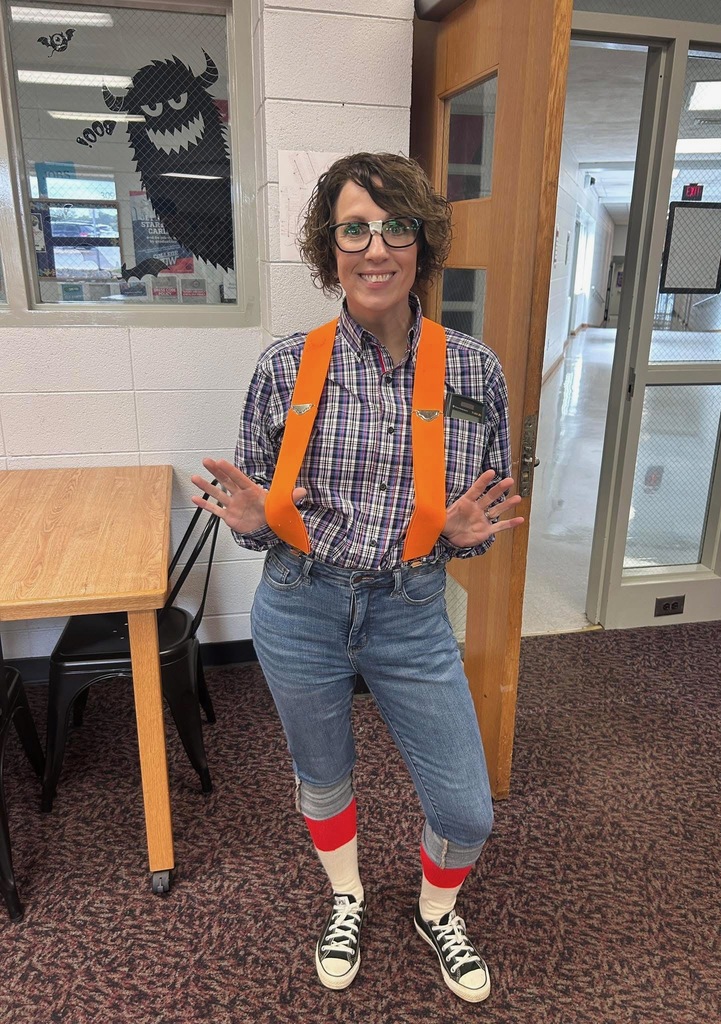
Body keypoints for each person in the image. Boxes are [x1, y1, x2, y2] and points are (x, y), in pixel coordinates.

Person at [191, 152, 524, 1003]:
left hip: (410, 609)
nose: (376, 250)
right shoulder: (284, 366)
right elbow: (261, 501)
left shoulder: (474, 370)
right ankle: (347, 895)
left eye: (396, 227)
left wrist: (460, 535)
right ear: (328, 246)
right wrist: (258, 521)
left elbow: (480, 512)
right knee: (324, 774)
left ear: (422, 243)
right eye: (354, 229)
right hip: (300, 605)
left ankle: (434, 910)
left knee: (467, 809)